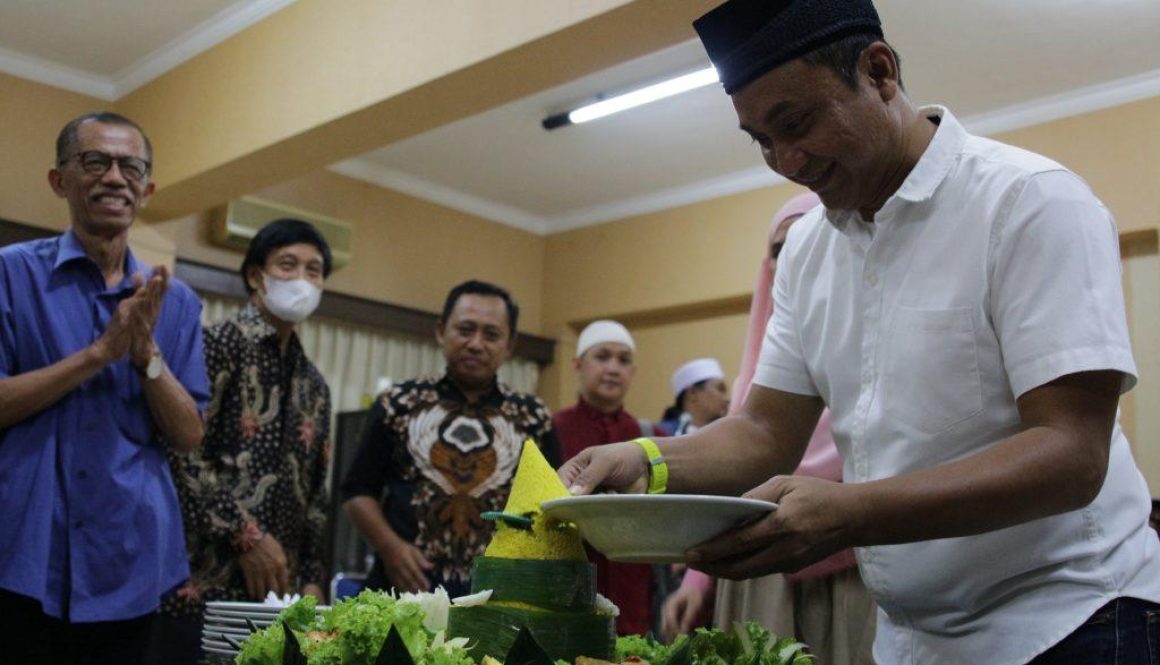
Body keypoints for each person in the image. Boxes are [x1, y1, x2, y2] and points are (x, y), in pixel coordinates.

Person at [559, 0, 1160, 662]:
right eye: (760, 140)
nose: (786, 159)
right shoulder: (810, 248)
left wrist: (850, 511)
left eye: (796, 123)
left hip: (1072, 621)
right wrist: (647, 459)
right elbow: (763, 432)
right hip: (911, 638)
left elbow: (1071, 453)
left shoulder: (1029, 202)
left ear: (878, 72)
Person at [0, 111, 209, 665]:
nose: (114, 177)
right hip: (22, 549)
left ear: (147, 188)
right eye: (95, 161)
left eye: (130, 166)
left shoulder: (177, 302)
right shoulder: (10, 274)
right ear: (59, 180)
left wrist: (146, 356)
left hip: (131, 556)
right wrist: (98, 355)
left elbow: (189, 433)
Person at [662, 193, 876, 663]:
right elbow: (738, 481)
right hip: (762, 571)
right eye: (781, 248)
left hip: (855, 569)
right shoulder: (755, 382)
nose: (796, 256)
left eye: (810, 238)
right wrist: (698, 580)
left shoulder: (880, 354)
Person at [144, 219, 334, 665]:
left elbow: (317, 492)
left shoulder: (314, 383)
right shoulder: (216, 344)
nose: (302, 281)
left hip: (279, 598)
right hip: (201, 580)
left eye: (315, 270)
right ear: (255, 276)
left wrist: (311, 578)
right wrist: (245, 536)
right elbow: (180, 453)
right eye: (288, 265)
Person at [341, 280, 559, 597]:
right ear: (441, 331)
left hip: (498, 594)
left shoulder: (533, 417)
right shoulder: (397, 403)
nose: (475, 343)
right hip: (403, 586)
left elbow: (553, 506)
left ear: (509, 345)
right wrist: (391, 549)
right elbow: (357, 492)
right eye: (465, 329)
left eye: (491, 335)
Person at [552, 320, 655, 635]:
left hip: (634, 590)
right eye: (603, 356)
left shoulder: (650, 437)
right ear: (578, 364)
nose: (613, 368)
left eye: (624, 360)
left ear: (633, 372)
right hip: (567, 584)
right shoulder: (550, 430)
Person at [666, 358, 729, 436]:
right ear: (693, 393)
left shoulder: (728, 437)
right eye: (720, 389)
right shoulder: (662, 435)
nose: (727, 399)